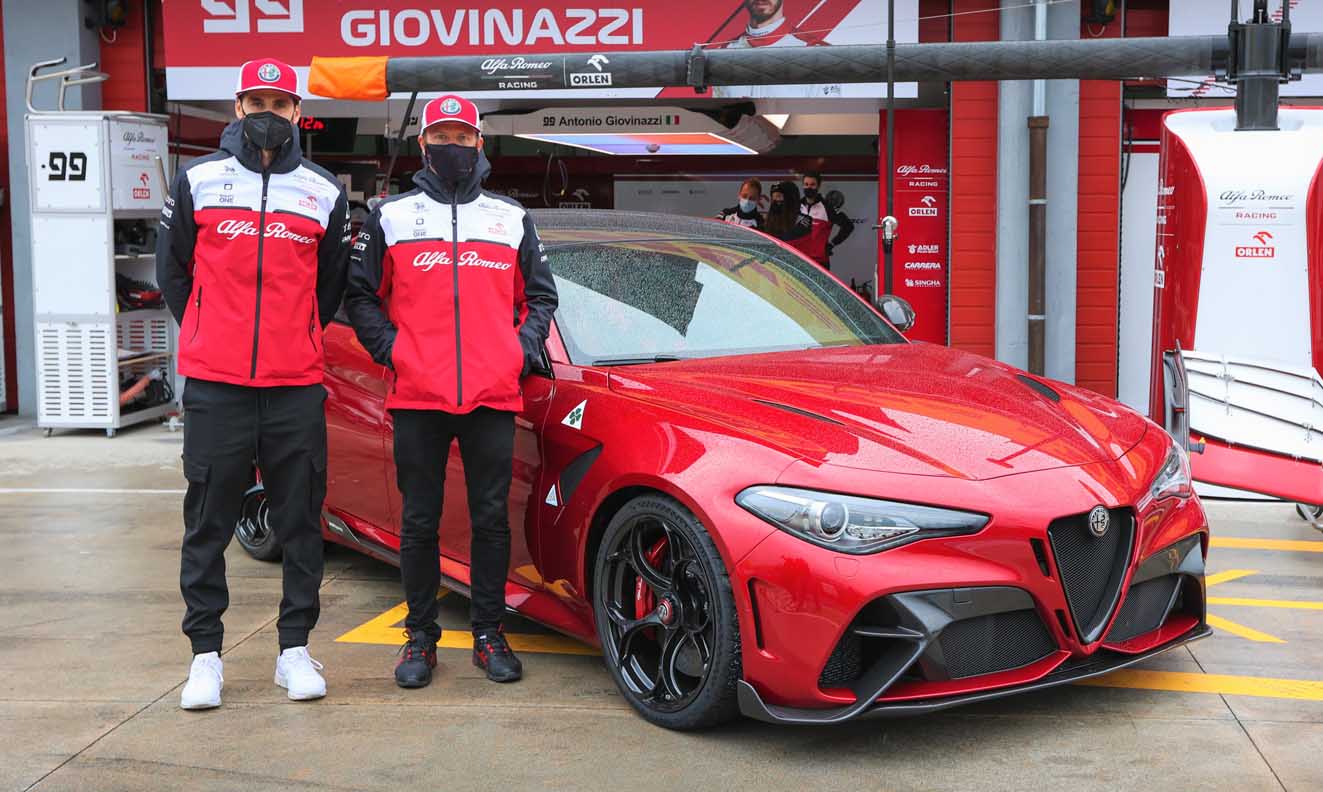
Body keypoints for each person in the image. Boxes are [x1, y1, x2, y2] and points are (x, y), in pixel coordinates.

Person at [157, 58, 351, 710]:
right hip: (217, 385)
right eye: (258, 101)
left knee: (300, 522)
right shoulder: (197, 180)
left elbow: (329, 286)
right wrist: (210, 331)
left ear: (298, 112)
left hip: (295, 384)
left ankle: (294, 650)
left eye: (281, 102)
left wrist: (295, 335)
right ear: (238, 107)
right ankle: (205, 656)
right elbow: (173, 273)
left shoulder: (323, 191)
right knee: (207, 523)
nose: (269, 112)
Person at [345, 95, 558, 689]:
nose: (453, 147)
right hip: (418, 396)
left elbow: (540, 297)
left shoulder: (510, 217)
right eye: (441, 136)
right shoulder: (391, 216)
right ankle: (419, 637)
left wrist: (518, 351)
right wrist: (395, 352)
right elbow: (360, 295)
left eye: (463, 137)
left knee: (491, 520)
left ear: (479, 144)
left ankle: (489, 633)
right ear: (423, 144)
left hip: (492, 395)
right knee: (419, 520)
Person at [793, 171, 853, 270]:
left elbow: (848, 226)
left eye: (812, 185)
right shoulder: (797, 206)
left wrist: (832, 244)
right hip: (798, 260)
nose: (809, 187)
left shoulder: (827, 207)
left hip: (820, 262)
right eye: (806, 184)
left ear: (818, 186)